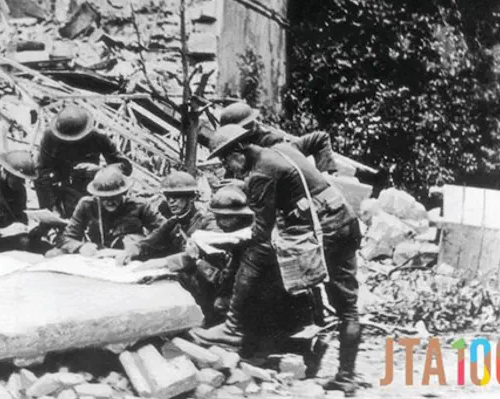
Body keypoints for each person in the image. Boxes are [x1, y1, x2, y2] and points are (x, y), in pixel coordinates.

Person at [192, 124, 363, 396]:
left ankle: (233, 327)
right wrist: (325, 171)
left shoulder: (260, 173)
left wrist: (221, 240)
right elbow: (318, 139)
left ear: (238, 150)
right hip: (344, 220)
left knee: (256, 255)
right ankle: (346, 377)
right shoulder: (281, 148)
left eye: (226, 160)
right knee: (347, 306)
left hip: (323, 234)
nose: (229, 168)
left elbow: (260, 232)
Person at [136, 186, 253, 326]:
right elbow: (152, 240)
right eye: (168, 198)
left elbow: (221, 279)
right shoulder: (177, 220)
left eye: (224, 218)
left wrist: (195, 261)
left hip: (245, 302)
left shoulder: (236, 238)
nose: (220, 222)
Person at [220, 102, 389, 188]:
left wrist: (326, 173)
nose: (254, 126)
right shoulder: (237, 146)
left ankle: (367, 179)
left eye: (252, 124)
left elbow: (276, 174)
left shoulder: (270, 140)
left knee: (339, 169)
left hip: (296, 164)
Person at [35, 105, 133, 218]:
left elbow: (125, 166)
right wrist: (50, 208)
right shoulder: (50, 137)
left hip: (93, 188)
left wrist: (101, 171)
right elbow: (40, 173)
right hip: (63, 189)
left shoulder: (98, 136)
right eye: (66, 140)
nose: (71, 143)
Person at [58, 166, 164, 259]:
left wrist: (138, 246)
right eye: (104, 197)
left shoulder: (140, 206)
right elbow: (66, 238)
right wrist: (81, 247)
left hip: (131, 258)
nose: (110, 201)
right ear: (96, 195)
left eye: (114, 196)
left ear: (124, 192)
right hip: (97, 258)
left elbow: (165, 231)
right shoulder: (87, 205)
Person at [134, 171, 219, 262]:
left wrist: (164, 262)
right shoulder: (173, 223)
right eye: (168, 197)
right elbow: (151, 242)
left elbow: (210, 254)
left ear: (191, 198)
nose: (171, 201)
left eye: (176, 197)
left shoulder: (206, 221)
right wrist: (132, 250)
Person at [0, 150, 53, 253]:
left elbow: (20, 217)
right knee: (25, 243)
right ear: (5, 172)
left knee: (46, 247)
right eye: (16, 178)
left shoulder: (19, 190)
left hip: (12, 236)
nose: (20, 183)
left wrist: (27, 228)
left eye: (23, 180)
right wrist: (0, 231)